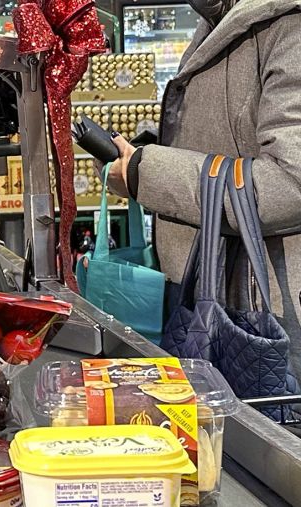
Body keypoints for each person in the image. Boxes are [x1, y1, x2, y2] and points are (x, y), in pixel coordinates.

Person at [102, 0, 301, 373]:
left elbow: (291, 184)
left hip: (265, 312)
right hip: (220, 296)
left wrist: (146, 172)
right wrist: (147, 149)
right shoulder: (219, 19)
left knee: (267, 425)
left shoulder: (290, 25)